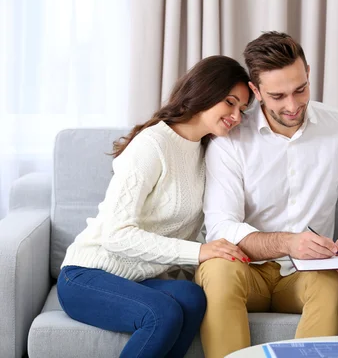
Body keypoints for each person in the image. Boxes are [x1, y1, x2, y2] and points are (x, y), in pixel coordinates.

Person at [195, 31, 338, 358]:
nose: (292, 105)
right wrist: (287, 242)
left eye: (300, 89)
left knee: (332, 285)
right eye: (278, 96)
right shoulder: (229, 138)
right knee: (217, 269)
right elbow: (221, 228)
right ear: (255, 91)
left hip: (308, 274)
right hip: (244, 269)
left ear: (308, 72)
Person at [57, 56, 253, 358]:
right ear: (205, 91)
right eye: (230, 102)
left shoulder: (206, 153)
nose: (237, 116)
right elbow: (116, 236)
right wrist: (200, 252)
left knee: (191, 297)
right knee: (162, 313)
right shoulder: (152, 145)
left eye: (242, 109)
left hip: (139, 279)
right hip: (87, 275)